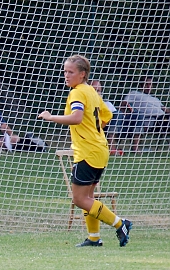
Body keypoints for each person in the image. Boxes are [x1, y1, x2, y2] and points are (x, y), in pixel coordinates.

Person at [38, 55, 132, 248]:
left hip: (88, 152)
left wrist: (50, 117)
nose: (66, 75)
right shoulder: (91, 91)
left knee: (79, 199)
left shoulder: (78, 92)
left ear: (82, 74)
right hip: (99, 149)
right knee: (88, 197)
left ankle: (120, 223)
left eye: (70, 72)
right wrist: (93, 131)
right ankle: (94, 238)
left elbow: (76, 118)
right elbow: (107, 115)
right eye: (65, 71)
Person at [119, 75, 170, 152]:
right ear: (141, 85)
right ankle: (135, 148)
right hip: (150, 119)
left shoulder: (155, 99)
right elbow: (123, 104)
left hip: (163, 119)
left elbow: (165, 109)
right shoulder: (134, 93)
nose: (149, 86)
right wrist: (129, 111)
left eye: (150, 84)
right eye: (146, 84)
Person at [89, 79, 123, 156]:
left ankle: (111, 147)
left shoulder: (107, 104)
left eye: (98, 90)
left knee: (118, 115)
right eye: (94, 90)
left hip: (106, 127)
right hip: (92, 126)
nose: (96, 92)